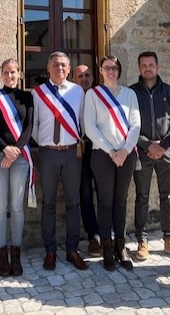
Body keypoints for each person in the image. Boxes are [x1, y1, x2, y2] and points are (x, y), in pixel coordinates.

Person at [83, 56, 140, 271]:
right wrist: (111, 151)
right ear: (100, 70)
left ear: (119, 70)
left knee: (121, 201)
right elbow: (90, 127)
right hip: (102, 155)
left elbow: (135, 124)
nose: (111, 71)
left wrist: (125, 150)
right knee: (105, 201)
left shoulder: (129, 94)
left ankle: (120, 246)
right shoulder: (93, 94)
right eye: (107, 68)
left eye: (114, 68)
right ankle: (107, 245)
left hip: (126, 154)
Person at [32, 51, 87, 271]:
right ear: (48, 68)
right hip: (48, 154)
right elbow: (34, 125)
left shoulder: (77, 91)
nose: (60, 68)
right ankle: (50, 251)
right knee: (49, 204)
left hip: (72, 153)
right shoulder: (38, 93)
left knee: (73, 203)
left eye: (64, 65)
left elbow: (82, 122)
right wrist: (46, 143)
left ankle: (72, 249)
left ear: (69, 68)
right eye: (55, 64)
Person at [130, 51, 170, 262]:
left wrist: (161, 145)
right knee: (142, 196)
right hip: (142, 151)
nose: (148, 68)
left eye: (151, 64)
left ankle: (169, 239)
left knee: (167, 195)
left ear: (157, 66)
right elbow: (129, 124)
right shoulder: (131, 93)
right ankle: (142, 240)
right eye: (144, 65)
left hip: (166, 151)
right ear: (139, 68)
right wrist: (148, 145)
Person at [0, 59, 34, 277]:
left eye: (13, 72)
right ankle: (2, 255)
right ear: (1, 74)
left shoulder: (27, 97)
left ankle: (16, 254)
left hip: (20, 157)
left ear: (19, 74)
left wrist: (16, 150)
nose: (10, 76)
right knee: (0, 206)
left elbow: (29, 127)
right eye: (6, 72)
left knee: (16, 206)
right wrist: (5, 149)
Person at [72, 64, 101, 257]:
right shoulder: (69, 96)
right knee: (85, 196)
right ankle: (93, 237)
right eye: (80, 76)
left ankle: (109, 235)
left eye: (87, 75)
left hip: (99, 150)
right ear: (73, 79)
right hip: (79, 152)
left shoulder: (100, 95)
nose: (84, 78)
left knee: (105, 195)